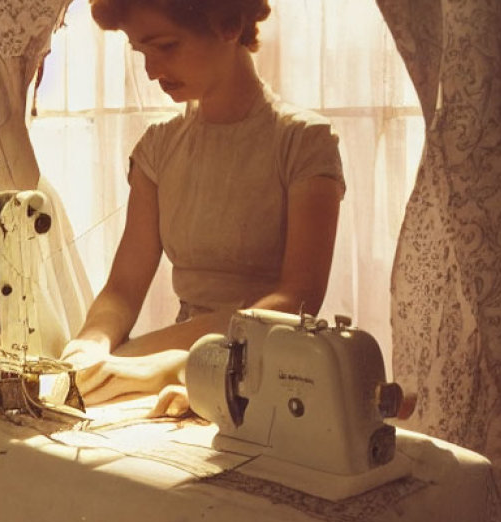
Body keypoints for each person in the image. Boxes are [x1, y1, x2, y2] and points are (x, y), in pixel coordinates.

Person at [61, 0, 345, 414]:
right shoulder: (158, 149)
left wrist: (165, 362)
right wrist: (90, 345)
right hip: (173, 367)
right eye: (142, 52)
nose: (152, 71)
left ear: (228, 26)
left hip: (275, 371)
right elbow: (123, 287)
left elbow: (297, 298)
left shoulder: (304, 142)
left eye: (166, 47)